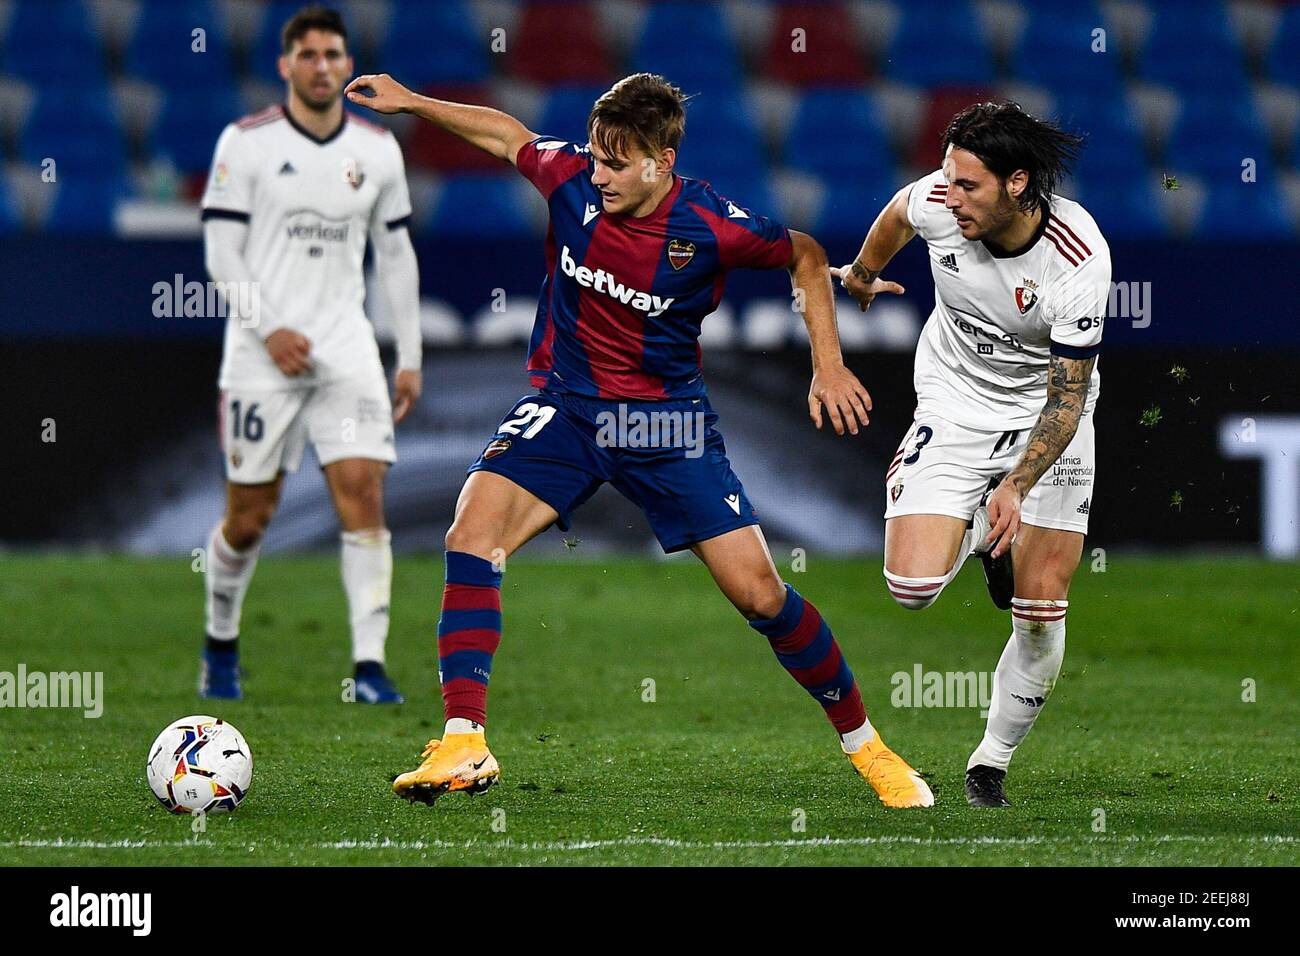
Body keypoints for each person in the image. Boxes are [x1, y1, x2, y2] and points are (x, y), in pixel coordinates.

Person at [346, 70, 934, 808]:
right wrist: (413, 102)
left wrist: (828, 365)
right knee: (471, 534)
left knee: (759, 596)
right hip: (567, 409)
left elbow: (807, 256)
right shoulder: (571, 180)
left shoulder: (712, 224)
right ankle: (465, 741)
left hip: (664, 424)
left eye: (616, 163)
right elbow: (507, 135)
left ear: (662, 161)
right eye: (595, 156)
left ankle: (868, 748)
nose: (599, 174)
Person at [833, 102, 1109, 807]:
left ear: (1018, 184)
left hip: (1046, 418)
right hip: (955, 405)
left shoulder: (1078, 258)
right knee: (912, 590)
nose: (947, 196)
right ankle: (988, 540)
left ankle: (990, 763)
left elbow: (1068, 398)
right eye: (947, 180)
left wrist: (1015, 483)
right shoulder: (934, 201)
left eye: (968, 187)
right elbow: (897, 214)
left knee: (1041, 606)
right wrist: (863, 272)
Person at [198, 6, 420, 703]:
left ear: (349, 64)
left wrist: (408, 353)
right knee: (250, 516)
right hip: (261, 356)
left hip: (346, 350)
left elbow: (396, 253)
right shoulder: (247, 142)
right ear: (285, 65)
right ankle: (221, 640)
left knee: (363, 494)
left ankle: (369, 666)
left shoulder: (379, 149)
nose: (322, 65)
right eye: (309, 54)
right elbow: (220, 250)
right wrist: (267, 329)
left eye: (334, 54)